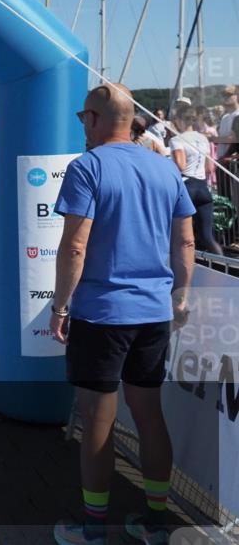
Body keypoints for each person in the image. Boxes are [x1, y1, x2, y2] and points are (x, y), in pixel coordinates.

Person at [50, 84, 195, 545]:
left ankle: (94, 528)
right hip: (153, 312)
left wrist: (59, 305)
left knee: (97, 418)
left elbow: (75, 246)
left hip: (102, 313)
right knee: (149, 414)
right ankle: (156, 521)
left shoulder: (87, 167)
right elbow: (185, 244)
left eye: (82, 119)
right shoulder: (164, 168)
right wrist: (182, 295)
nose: (81, 127)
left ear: (94, 118)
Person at [169, 107, 223, 255]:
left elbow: (180, 165)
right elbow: (209, 167)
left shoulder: (176, 140)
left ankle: (180, 266)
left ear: (180, 120)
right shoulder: (203, 138)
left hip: (187, 188)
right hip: (202, 188)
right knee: (207, 236)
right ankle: (226, 268)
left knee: (179, 235)